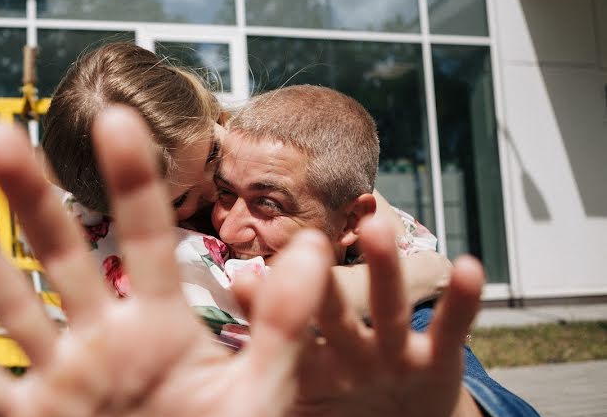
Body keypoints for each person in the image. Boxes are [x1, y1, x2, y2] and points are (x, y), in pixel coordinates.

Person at [0, 107, 604, 417]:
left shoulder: (376, 296)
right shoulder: (168, 288)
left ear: (352, 220)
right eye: (221, 193)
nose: (233, 226)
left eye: (269, 204)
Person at [42, 43, 450, 333]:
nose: (215, 183)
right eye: (181, 199)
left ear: (212, 115)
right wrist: (426, 272)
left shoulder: (239, 130)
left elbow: (350, 196)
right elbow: (287, 301)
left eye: (213, 153)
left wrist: (414, 255)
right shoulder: (132, 250)